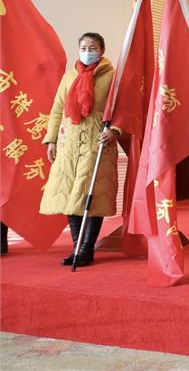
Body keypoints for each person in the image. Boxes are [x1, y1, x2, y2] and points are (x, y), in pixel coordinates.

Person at [39, 33, 120, 267]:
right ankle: (77, 248)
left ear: (102, 50)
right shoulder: (69, 76)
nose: (87, 52)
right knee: (69, 194)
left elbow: (124, 108)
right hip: (69, 141)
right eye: (83, 47)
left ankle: (86, 249)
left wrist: (115, 130)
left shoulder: (113, 77)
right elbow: (57, 109)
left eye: (92, 48)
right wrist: (51, 140)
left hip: (98, 141)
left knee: (93, 194)